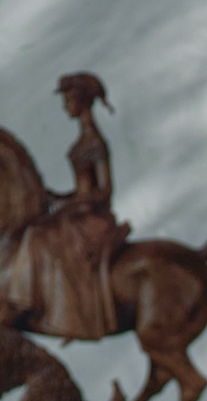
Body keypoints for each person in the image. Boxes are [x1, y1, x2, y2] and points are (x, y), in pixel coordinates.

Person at [48, 71, 130, 343]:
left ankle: (82, 314)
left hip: (95, 218)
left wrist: (73, 202)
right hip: (80, 213)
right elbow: (83, 189)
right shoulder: (80, 143)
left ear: (82, 101)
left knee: (62, 243)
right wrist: (59, 197)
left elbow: (105, 190)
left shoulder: (95, 143)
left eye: (69, 101)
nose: (65, 107)